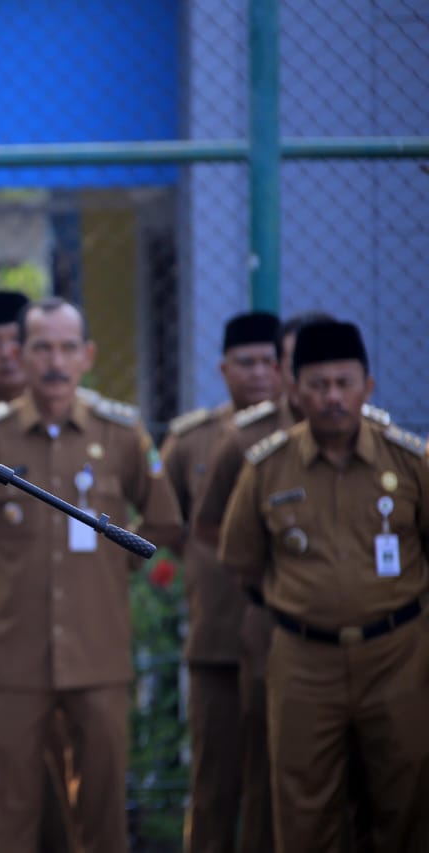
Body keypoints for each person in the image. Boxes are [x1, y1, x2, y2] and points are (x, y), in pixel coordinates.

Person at [0, 297, 183, 853]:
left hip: (98, 653)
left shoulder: (120, 432)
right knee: (9, 811)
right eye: (42, 347)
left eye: (69, 347)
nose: (55, 362)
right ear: (19, 355)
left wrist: (108, 571)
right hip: (13, 655)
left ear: (87, 355)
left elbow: (161, 517)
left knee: (101, 811)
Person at [218, 320, 429, 852]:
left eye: (343, 382)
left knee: (406, 795)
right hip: (303, 662)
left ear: (368, 387)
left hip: (398, 656)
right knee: (304, 803)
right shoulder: (267, 466)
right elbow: (241, 561)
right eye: (317, 384)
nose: (332, 396)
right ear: (293, 389)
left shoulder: (409, 462)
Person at [159, 311, 280, 853]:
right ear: (223, 368)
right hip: (218, 640)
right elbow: (173, 523)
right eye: (246, 362)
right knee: (214, 783)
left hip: (289, 638)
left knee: (280, 784)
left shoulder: (298, 435)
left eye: (270, 362)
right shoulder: (191, 440)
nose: (259, 373)